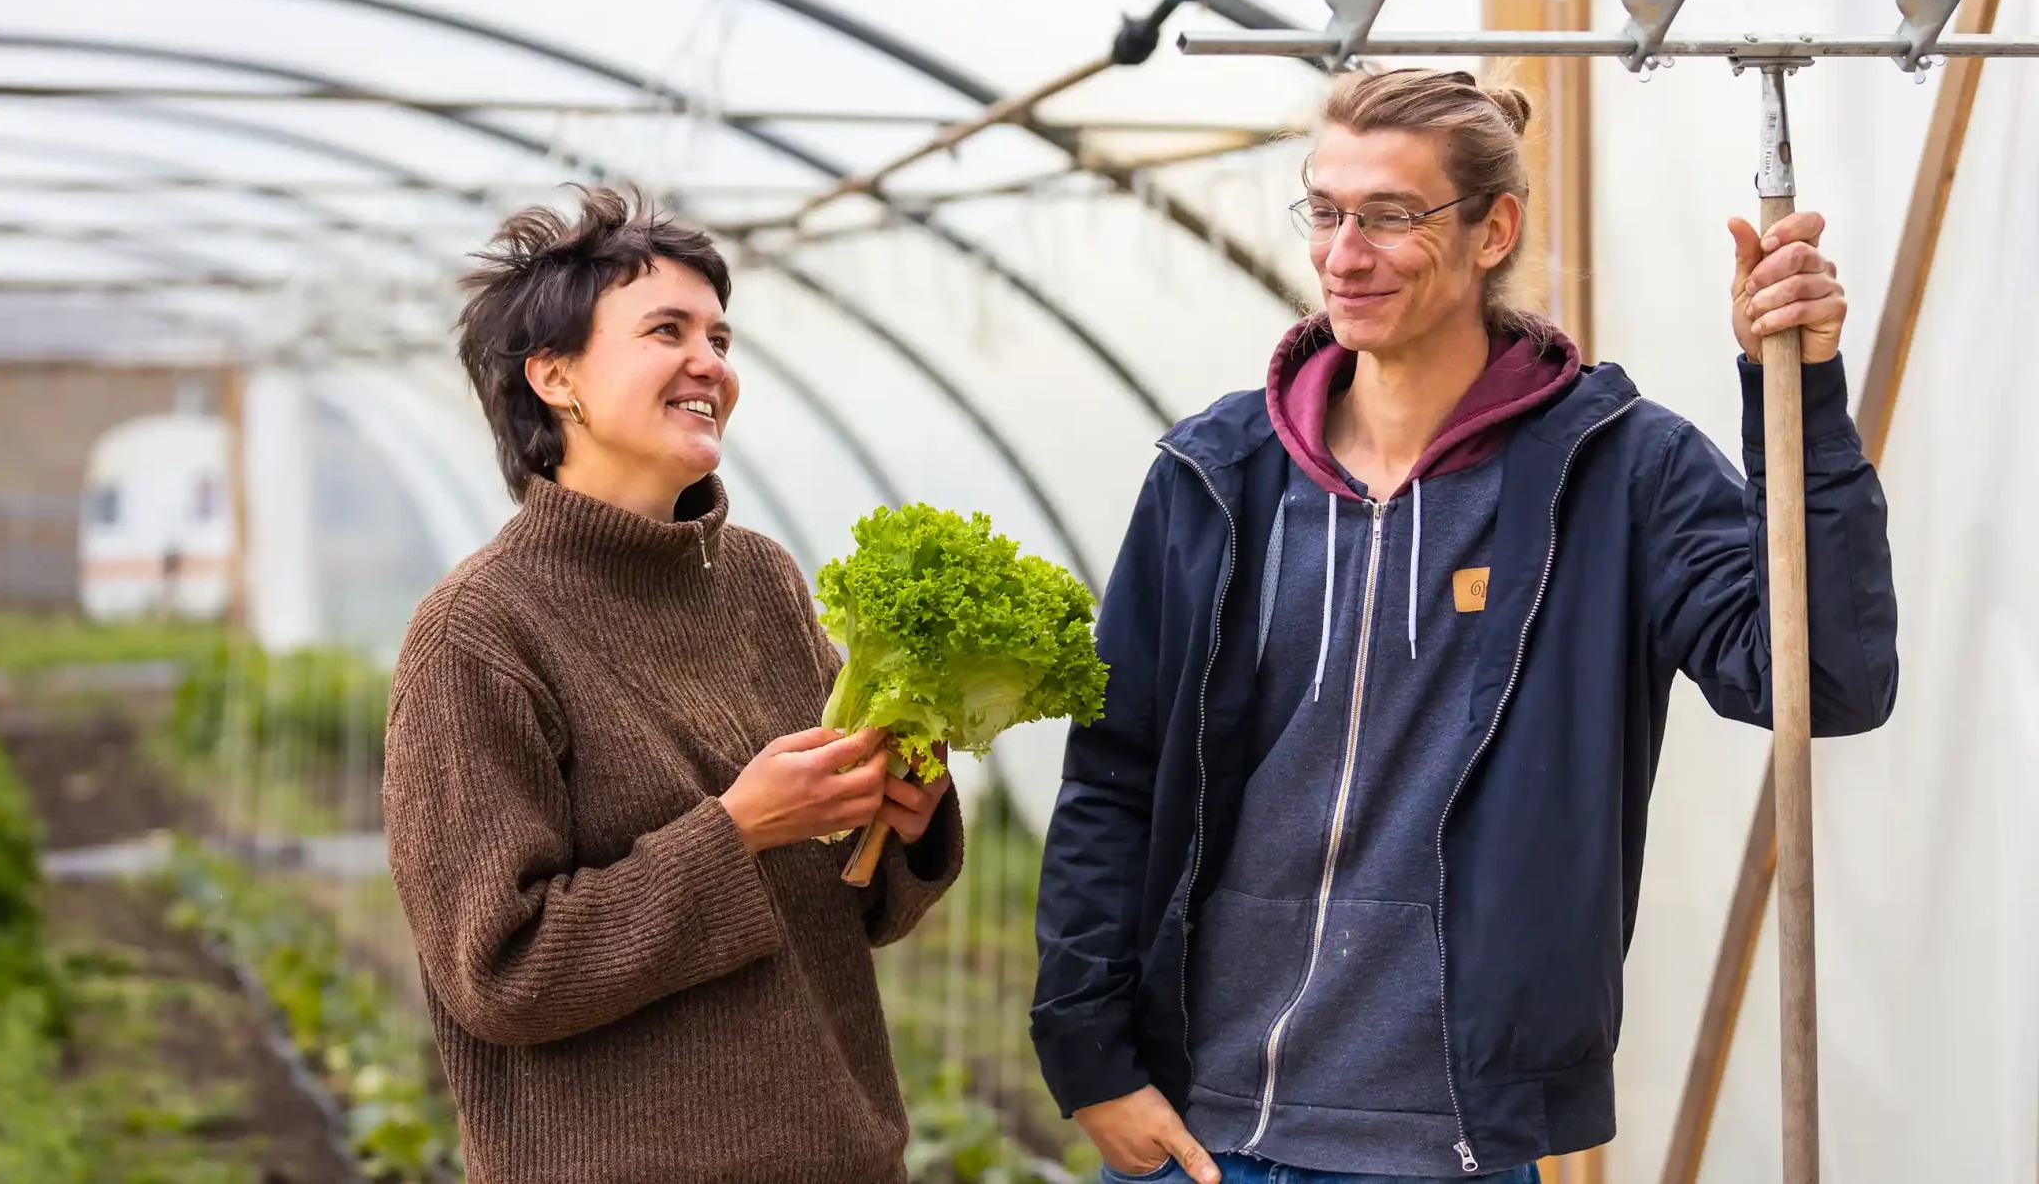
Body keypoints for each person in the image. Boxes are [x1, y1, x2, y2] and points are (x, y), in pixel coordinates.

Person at [1030, 69, 1897, 1183]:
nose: (1345, 253)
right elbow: (1113, 776)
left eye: (1390, 216)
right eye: (1326, 211)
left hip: (1444, 1145)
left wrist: (1801, 394)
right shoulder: (1217, 474)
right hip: (1198, 1137)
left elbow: (1818, 679)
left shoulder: (1616, 469)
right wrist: (1089, 1058)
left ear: (1494, 230)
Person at [383, 187, 962, 1184]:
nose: (711, 364)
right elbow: (501, 973)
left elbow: (855, 908)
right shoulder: (478, 631)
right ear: (554, 377)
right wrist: (735, 831)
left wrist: (897, 820)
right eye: (666, 330)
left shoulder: (761, 581)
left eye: (720, 337)